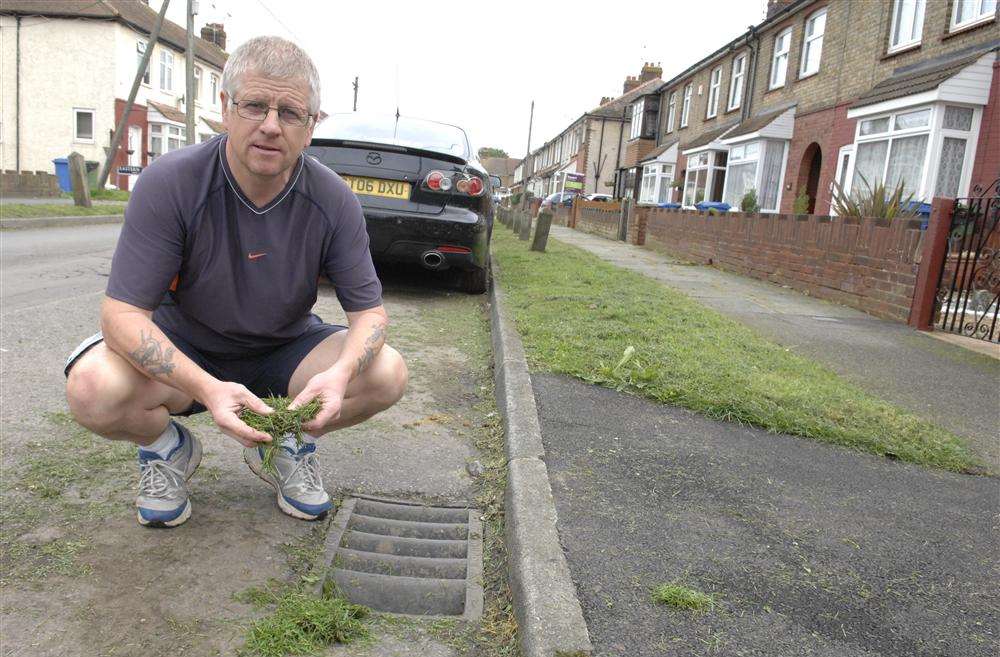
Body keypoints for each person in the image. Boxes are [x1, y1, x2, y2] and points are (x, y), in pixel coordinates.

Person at [64, 36, 408, 528]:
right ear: (226, 109)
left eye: (291, 113)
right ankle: (167, 449)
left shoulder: (334, 201)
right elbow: (120, 315)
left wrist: (338, 374)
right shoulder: (171, 182)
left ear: (311, 128)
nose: (270, 125)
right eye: (254, 105)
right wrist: (207, 389)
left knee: (386, 371)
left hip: (286, 349)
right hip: (187, 348)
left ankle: (290, 443)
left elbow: (370, 315)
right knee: (92, 387)